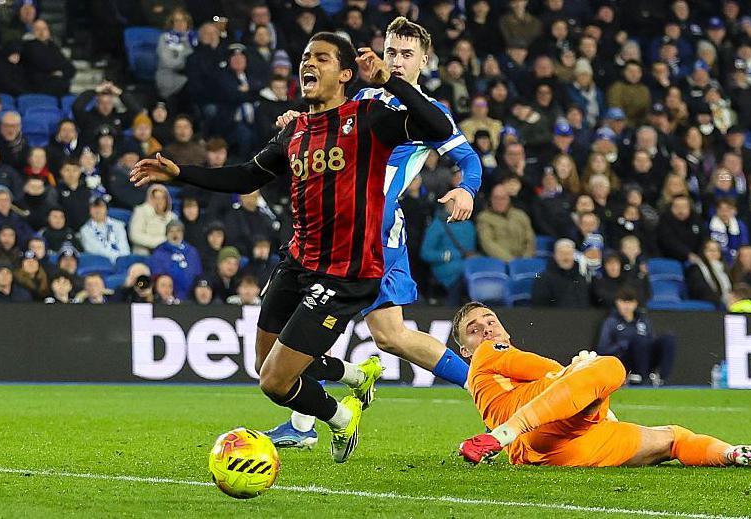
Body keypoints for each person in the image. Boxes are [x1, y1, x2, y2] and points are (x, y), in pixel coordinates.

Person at [129, 31, 452, 463]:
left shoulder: (370, 117)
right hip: (298, 264)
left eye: (321, 57)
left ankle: (337, 417)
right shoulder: (296, 130)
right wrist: (179, 173)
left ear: (345, 74)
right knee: (264, 366)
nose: (309, 64)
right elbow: (246, 176)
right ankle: (349, 392)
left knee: (275, 383)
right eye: (305, 57)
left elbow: (439, 127)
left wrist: (389, 80)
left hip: (345, 273)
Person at [262, 17, 483, 448]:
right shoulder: (360, 98)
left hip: (377, 233)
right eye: (392, 53)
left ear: (424, 60)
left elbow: (469, 160)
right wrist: (297, 121)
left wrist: (465, 190)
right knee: (332, 328)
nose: (397, 62)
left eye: (406, 54)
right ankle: (309, 419)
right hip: (338, 227)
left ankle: (482, 387)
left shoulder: (427, 112)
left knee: (390, 336)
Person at [453, 301, 751, 468]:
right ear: (465, 351)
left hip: (562, 450)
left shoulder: (490, 374)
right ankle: (501, 435)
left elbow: (562, 382)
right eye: (474, 329)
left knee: (672, 438)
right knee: (608, 365)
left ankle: (733, 453)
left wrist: (579, 380)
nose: (485, 329)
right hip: (531, 431)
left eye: (491, 320)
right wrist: (577, 370)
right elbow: (555, 370)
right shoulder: (488, 353)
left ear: (506, 327)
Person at [596, 287, 675, 386]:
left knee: (668, 338)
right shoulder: (611, 322)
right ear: (617, 303)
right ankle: (641, 378)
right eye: (623, 302)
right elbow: (602, 350)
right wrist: (622, 345)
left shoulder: (643, 320)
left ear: (635, 303)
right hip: (624, 359)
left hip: (645, 356)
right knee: (639, 339)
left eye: (630, 302)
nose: (627, 306)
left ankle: (662, 378)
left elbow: (651, 339)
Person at [477, 183, 536, 261]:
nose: (499, 201)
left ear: (509, 199)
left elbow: (530, 239)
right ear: (490, 199)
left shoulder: (521, 215)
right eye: (496, 198)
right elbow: (487, 243)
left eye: (503, 198)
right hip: (498, 263)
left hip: (524, 261)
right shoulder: (484, 217)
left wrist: (526, 259)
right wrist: (511, 260)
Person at [149, 220, 202, 301]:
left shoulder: (192, 252)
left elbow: (198, 275)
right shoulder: (159, 253)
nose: (175, 234)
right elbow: (158, 278)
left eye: (178, 231)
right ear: (166, 234)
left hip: (190, 300)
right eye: (171, 231)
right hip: (167, 300)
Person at [531, 238, 589, 308]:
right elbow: (540, 309)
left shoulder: (581, 278)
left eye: (569, 253)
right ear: (555, 256)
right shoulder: (543, 279)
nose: (566, 257)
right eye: (562, 253)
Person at [128, 184, 177, 255]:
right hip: (144, 251)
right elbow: (135, 236)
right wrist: (161, 241)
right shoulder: (141, 211)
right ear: (150, 199)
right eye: (156, 198)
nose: (159, 201)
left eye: (162, 198)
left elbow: (175, 238)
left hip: (166, 252)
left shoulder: (172, 217)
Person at [685, 239, 732, 308]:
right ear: (703, 252)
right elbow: (699, 290)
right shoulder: (696, 268)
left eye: (716, 250)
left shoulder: (723, 269)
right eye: (710, 250)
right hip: (706, 306)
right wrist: (719, 302)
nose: (713, 253)